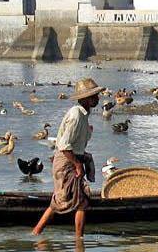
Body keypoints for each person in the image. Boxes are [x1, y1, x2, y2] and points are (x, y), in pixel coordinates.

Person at [32, 78, 104, 239]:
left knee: (73, 200)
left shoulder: (83, 115)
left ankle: (38, 233)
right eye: (95, 96)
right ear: (86, 98)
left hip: (70, 159)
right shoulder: (77, 115)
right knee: (71, 201)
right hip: (67, 161)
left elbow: (74, 143)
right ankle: (78, 240)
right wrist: (77, 164)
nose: (98, 99)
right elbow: (64, 145)